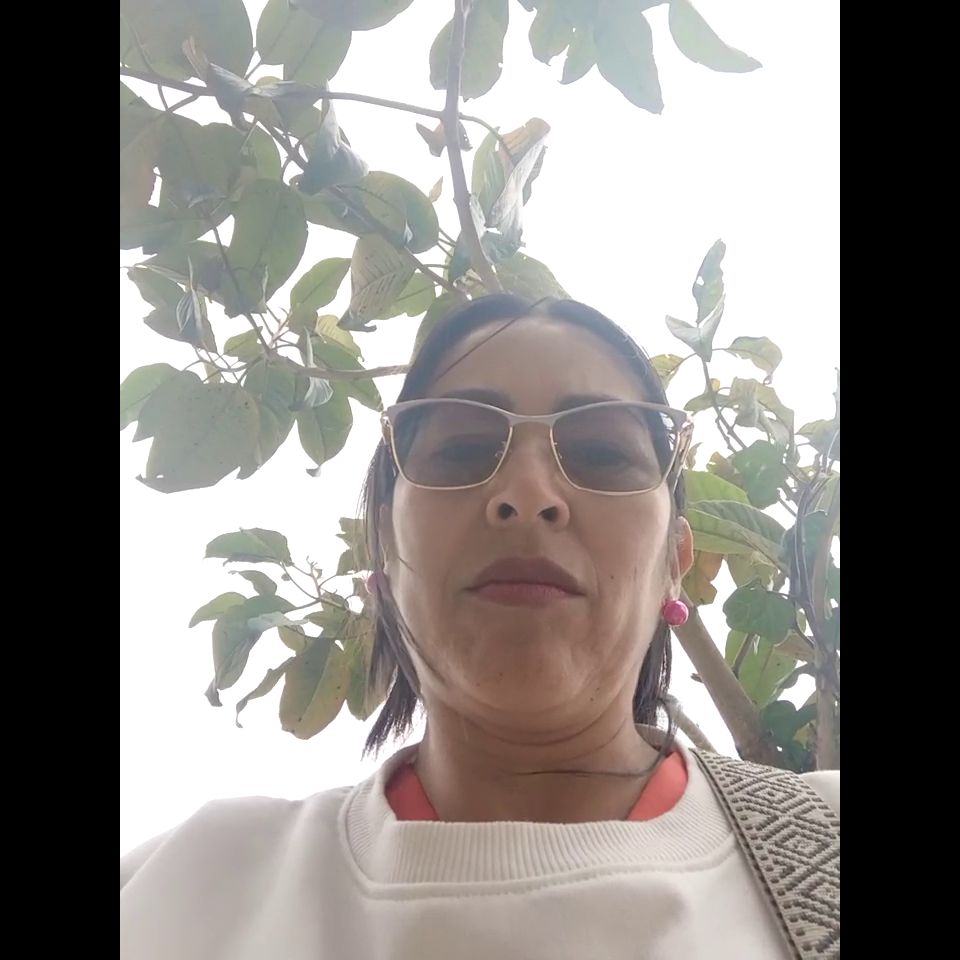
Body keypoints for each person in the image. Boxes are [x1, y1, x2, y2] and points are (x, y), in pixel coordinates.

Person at [121, 295, 839, 959]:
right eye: (463, 450)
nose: (526, 495)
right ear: (383, 547)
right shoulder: (181, 890)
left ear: (675, 562)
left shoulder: (828, 836)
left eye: (600, 455)